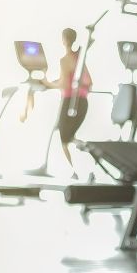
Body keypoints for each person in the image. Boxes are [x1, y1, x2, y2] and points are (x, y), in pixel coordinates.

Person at [40, 28, 92, 175]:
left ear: (63, 40)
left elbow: (63, 85)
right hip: (82, 102)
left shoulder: (65, 60)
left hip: (70, 102)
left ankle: (76, 171)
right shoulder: (78, 59)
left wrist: (46, 82)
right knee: (69, 138)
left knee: (64, 140)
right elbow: (88, 82)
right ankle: (81, 168)